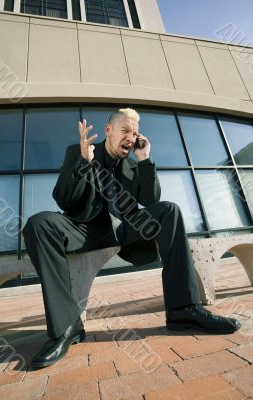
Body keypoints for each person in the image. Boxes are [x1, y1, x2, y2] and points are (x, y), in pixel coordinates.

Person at [22, 108, 241, 369]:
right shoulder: (78, 152)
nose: (131, 136)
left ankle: (184, 309)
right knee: (38, 224)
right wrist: (83, 161)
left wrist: (145, 159)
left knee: (169, 210)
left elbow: (150, 200)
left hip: (124, 228)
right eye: (125, 130)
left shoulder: (134, 164)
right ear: (108, 130)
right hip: (83, 229)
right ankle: (66, 327)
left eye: (135, 133)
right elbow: (63, 199)